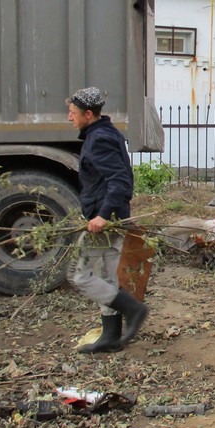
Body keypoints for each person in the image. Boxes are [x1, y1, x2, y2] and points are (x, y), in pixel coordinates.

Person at [66, 87, 148, 353]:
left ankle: (133, 310)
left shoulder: (99, 139)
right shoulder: (104, 133)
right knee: (105, 275)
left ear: (88, 114)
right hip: (110, 217)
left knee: (79, 275)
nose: (70, 118)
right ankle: (111, 336)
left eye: (73, 113)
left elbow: (120, 181)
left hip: (106, 220)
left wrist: (102, 215)